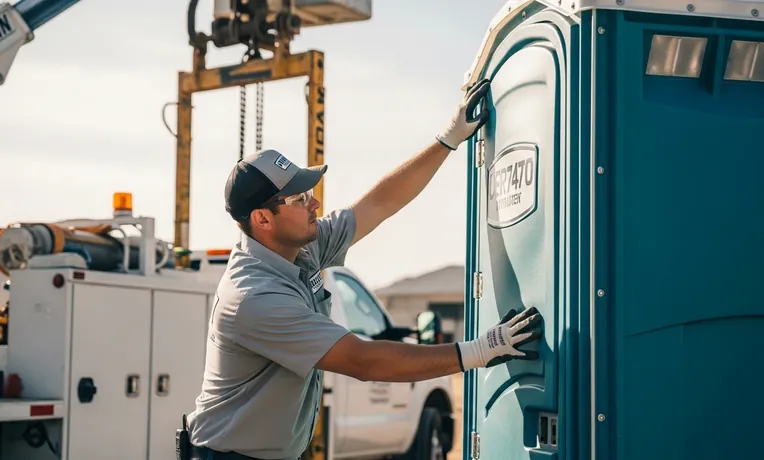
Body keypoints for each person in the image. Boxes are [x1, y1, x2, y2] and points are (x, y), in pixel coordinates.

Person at [185, 79, 544, 460]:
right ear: (263, 219)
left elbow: (378, 205)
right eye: (299, 197)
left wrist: (447, 139)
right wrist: (478, 351)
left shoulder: (298, 248)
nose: (315, 203)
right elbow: (362, 360)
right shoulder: (254, 297)